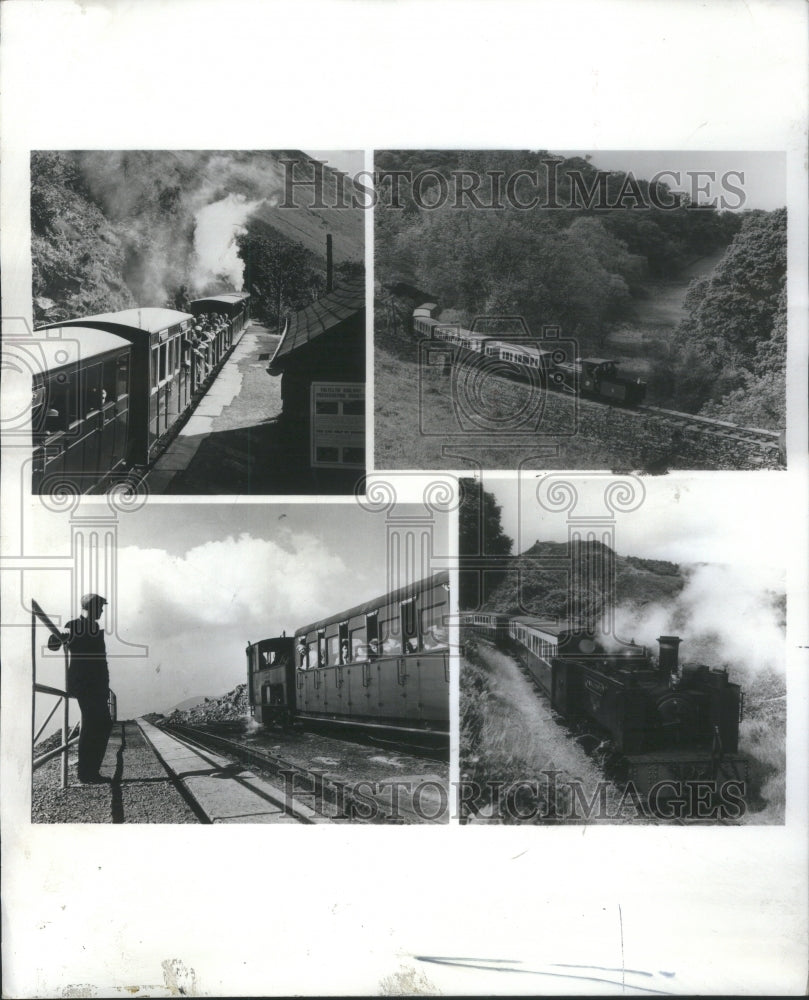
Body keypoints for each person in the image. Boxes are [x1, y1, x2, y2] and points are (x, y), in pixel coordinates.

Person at [48, 593, 113, 784]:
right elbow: (53, 644)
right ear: (92, 607)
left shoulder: (95, 628)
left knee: (100, 724)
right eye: (100, 607)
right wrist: (61, 636)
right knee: (95, 724)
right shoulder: (74, 625)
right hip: (85, 684)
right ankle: (87, 773)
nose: (101, 611)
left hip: (97, 685)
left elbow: (100, 660)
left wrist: (105, 683)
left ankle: (90, 771)